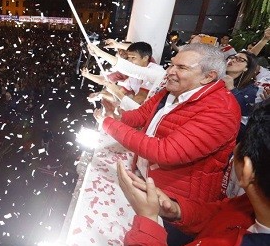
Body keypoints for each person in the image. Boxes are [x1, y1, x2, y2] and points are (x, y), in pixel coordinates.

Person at [94, 43, 240, 203]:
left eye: (181, 67)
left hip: (177, 202)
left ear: (208, 76)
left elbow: (165, 152)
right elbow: (141, 115)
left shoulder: (221, 110)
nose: (170, 71)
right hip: (147, 181)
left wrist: (109, 123)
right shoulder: (171, 90)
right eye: (171, 64)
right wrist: (117, 115)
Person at [118, 100, 270, 246]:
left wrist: (148, 221)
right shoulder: (255, 202)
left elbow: (165, 150)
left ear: (246, 170)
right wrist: (177, 210)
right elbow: (222, 213)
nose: (171, 72)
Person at [222, 51, 260, 142]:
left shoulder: (250, 88)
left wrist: (232, 89)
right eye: (233, 57)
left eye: (240, 60)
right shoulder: (214, 75)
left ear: (246, 68)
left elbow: (246, 111)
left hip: (227, 131)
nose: (234, 60)